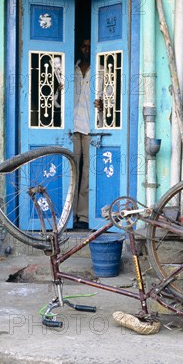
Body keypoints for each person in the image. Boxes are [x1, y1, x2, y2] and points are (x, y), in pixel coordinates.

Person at [72, 38, 102, 229]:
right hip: (71, 127)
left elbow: (110, 95)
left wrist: (103, 105)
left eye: (90, 47)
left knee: (87, 174)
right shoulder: (70, 69)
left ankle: (83, 215)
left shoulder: (100, 71)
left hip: (91, 128)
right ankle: (68, 214)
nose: (86, 50)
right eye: (83, 46)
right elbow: (55, 101)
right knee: (71, 172)